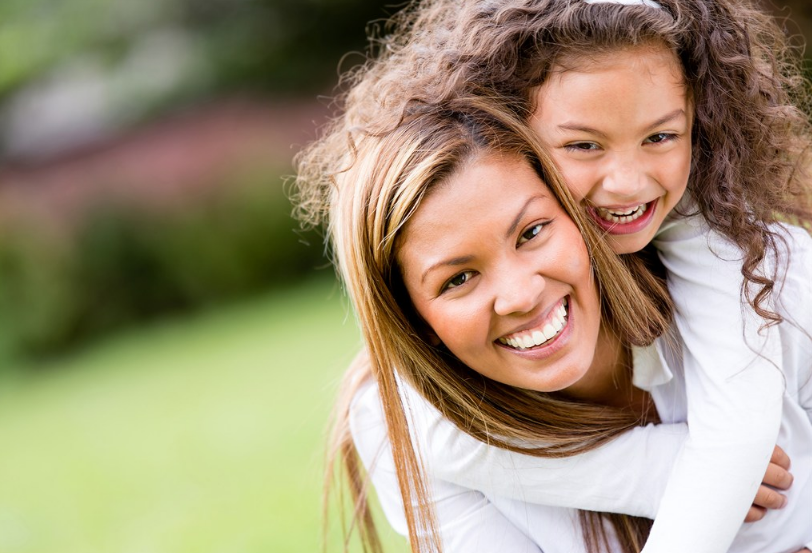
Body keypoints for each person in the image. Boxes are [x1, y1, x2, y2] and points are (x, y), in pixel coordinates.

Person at [293, 0, 812, 551]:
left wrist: (715, 466)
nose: (626, 183)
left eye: (532, 232)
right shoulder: (406, 428)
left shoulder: (768, 280)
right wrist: (664, 470)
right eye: (457, 279)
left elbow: (743, 441)